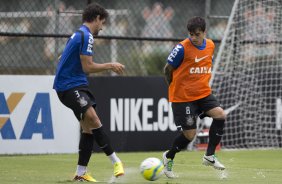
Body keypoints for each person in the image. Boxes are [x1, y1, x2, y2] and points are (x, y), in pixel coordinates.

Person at [53, 3, 125, 182]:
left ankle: (80, 173)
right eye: (103, 23)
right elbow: (87, 66)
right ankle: (116, 161)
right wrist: (110, 65)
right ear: (97, 19)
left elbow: (62, 57)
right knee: (93, 119)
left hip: (73, 85)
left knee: (88, 129)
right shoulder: (87, 35)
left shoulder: (77, 34)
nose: (102, 27)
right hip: (69, 86)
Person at [163, 16, 226, 178]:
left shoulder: (211, 45)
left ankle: (209, 155)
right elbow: (167, 69)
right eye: (191, 34)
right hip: (183, 97)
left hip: (203, 93)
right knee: (190, 135)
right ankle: (168, 156)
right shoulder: (181, 48)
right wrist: (173, 87)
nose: (193, 38)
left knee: (220, 115)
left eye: (197, 34)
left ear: (205, 32)